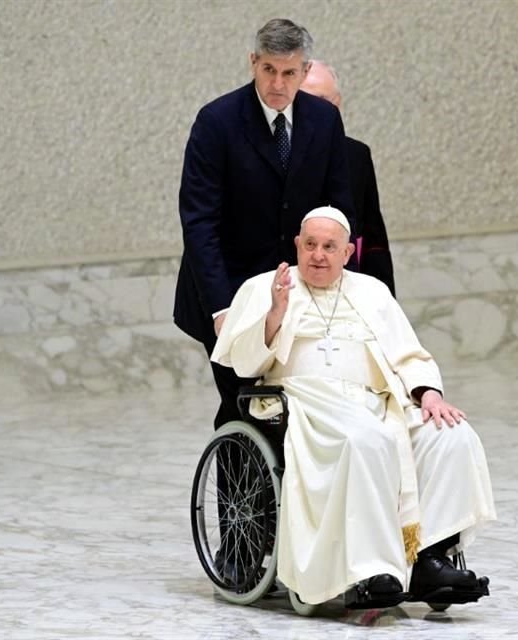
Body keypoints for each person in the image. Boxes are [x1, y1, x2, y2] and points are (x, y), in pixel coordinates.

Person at [212, 206, 496, 608]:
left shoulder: (372, 291)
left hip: (379, 399)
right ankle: (370, 570)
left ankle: (430, 558)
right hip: (305, 401)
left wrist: (429, 393)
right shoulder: (267, 286)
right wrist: (275, 312)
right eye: (310, 245)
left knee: (450, 435)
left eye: (330, 247)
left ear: (347, 253)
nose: (318, 255)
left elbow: (408, 353)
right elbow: (243, 364)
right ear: (297, 245)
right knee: (366, 439)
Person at [174, 19, 355, 432]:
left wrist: (341, 284)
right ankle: (238, 477)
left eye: (289, 72)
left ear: (305, 71)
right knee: (244, 405)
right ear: (253, 62)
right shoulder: (216, 121)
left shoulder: (324, 120)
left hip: (298, 288)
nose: (277, 83)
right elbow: (199, 222)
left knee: (296, 406)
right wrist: (222, 308)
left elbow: (340, 207)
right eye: (268, 69)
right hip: (228, 288)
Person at [300, 60, 396, 296]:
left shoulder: (356, 155)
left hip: (346, 287)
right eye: (303, 101)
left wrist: (384, 301)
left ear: (338, 104)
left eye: (322, 101)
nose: (314, 110)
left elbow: (373, 237)